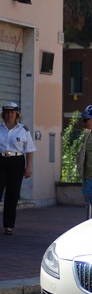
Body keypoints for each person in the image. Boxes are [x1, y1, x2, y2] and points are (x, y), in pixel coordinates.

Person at [0, 101, 36, 235]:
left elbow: (30, 149)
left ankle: (9, 226)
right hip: (1, 161)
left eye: (12, 112)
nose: (10, 115)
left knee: (12, 194)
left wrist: (29, 167)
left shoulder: (23, 130)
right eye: (7, 112)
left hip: (17, 162)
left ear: (17, 114)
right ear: (3, 114)